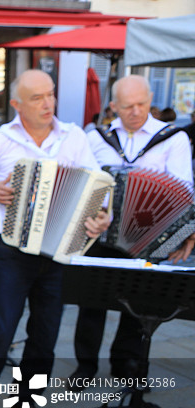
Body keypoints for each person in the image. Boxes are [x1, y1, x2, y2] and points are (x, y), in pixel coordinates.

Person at [0, 70, 109, 408]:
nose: (48, 103)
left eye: (51, 94)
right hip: (13, 251)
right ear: (17, 105)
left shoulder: (74, 137)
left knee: (45, 334)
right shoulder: (0, 140)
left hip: (58, 250)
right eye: (37, 98)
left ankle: (26, 399)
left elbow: (99, 186)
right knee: (0, 330)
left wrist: (102, 217)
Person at [70, 75, 195, 390]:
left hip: (149, 237)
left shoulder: (173, 138)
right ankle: (84, 367)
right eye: (128, 106)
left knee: (141, 304)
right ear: (114, 106)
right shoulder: (96, 138)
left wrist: (190, 232)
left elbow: (184, 191)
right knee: (91, 303)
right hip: (99, 235)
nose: (136, 111)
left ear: (150, 99)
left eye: (142, 104)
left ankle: (126, 365)